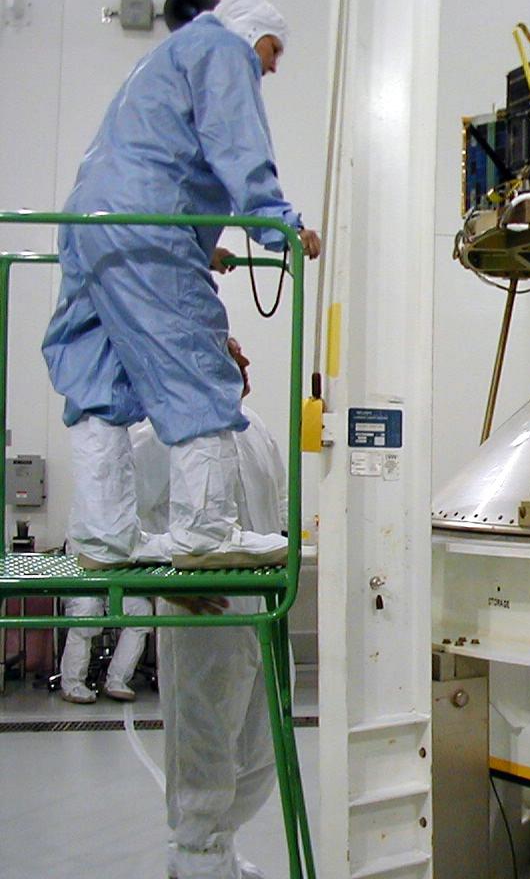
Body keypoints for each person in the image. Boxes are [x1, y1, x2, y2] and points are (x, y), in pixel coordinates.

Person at [41, 0, 320, 572]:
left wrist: (202, 243)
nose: (272, 65)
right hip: (147, 228)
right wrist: (277, 224)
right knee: (200, 368)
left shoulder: (163, 58)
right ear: (252, 34)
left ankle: (103, 538)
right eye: (273, 51)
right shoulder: (221, 48)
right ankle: (206, 534)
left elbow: (151, 161)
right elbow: (236, 142)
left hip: (92, 224)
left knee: (99, 385)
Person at [133, 337, 285, 879]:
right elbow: (118, 525)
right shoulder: (161, 431)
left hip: (263, 614)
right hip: (203, 616)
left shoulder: (258, 431)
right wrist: (163, 585)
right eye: (232, 354)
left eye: (244, 353)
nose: (246, 363)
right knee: (203, 742)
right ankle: (195, 858)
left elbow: (278, 516)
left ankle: (218, 848)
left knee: (262, 749)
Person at [57, 595, 152, 704]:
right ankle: (72, 684)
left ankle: (117, 680)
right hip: (80, 589)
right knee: (87, 607)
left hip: (111, 588)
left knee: (141, 608)